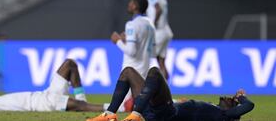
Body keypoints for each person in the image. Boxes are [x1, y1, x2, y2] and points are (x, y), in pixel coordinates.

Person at [0, 59, 109, 112]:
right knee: (76, 106)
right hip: (41, 104)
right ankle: (116, 107)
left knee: (69, 64)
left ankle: (83, 101)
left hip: (44, 94)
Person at [87, 66, 254, 121]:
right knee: (128, 72)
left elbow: (249, 106)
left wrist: (241, 98)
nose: (225, 97)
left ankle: (136, 116)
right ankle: (109, 115)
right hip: (156, 110)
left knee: (154, 72)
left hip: (167, 114)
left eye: (230, 100)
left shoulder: (224, 116)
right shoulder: (213, 108)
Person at [132, 0, 173, 80]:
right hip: (166, 30)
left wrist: (152, 26)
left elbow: (157, 9)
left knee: (142, 57)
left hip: (158, 32)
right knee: (161, 63)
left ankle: (140, 88)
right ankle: (166, 90)